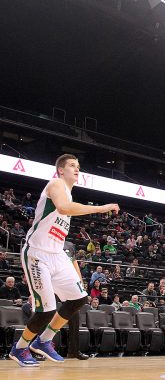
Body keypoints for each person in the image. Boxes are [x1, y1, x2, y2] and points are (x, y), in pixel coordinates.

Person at [9, 154, 119, 367]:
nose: (77, 169)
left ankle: (44, 340)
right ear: (60, 170)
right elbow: (64, 208)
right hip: (37, 253)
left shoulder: (68, 192)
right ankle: (20, 348)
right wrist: (100, 208)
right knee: (46, 310)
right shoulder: (56, 184)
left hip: (57, 254)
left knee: (79, 299)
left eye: (78, 166)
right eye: (72, 166)